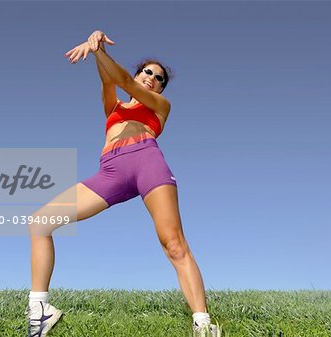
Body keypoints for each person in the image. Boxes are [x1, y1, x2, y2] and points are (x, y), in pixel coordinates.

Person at [25, 30, 219, 337]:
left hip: (147, 163)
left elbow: (124, 82)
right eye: (147, 71)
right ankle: (39, 311)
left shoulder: (159, 105)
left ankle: (203, 324)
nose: (152, 78)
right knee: (40, 223)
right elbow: (110, 82)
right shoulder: (113, 109)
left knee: (174, 245)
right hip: (110, 172)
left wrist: (99, 52)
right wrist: (95, 45)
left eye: (159, 77)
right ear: (139, 71)